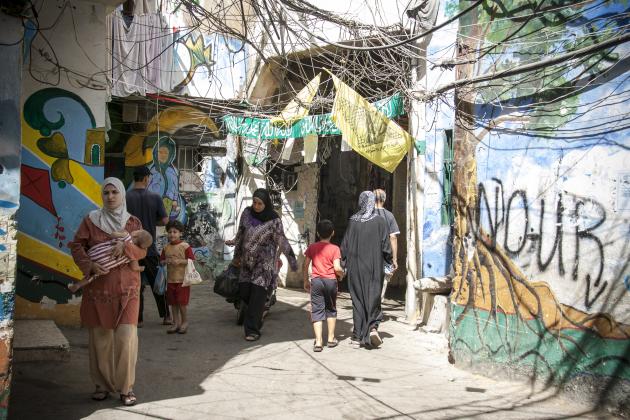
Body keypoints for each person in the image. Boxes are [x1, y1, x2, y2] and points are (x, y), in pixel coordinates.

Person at [70, 177, 146, 406]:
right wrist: (89, 265)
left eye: (115, 192)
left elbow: (143, 251)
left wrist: (128, 247)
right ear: (102, 196)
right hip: (99, 289)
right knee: (100, 339)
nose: (111, 197)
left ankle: (126, 388)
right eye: (107, 193)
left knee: (126, 338)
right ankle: (101, 385)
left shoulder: (133, 222)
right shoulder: (91, 221)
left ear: (122, 195)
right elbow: (76, 246)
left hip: (128, 289)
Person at [226, 188, 298, 341]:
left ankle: (252, 330)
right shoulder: (246, 213)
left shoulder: (274, 220)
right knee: (245, 292)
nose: (256, 206)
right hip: (246, 263)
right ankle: (255, 319)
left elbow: (282, 241)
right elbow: (240, 234)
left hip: (264, 265)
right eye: (255, 202)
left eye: (260, 203)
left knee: (257, 297)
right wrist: (236, 255)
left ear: (266, 203)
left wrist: (292, 261)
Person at [341, 191, 392, 349]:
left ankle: (357, 337)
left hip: (356, 268)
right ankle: (372, 328)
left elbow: (345, 245)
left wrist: (342, 264)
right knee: (373, 298)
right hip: (374, 268)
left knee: (357, 301)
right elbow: (386, 246)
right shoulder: (380, 221)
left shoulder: (353, 221)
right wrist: (390, 262)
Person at [126, 165, 171, 327]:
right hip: (149, 249)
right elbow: (165, 221)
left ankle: (137, 319)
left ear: (134, 178)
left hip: (130, 249)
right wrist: (152, 221)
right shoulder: (155, 197)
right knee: (157, 283)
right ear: (146, 178)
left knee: (135, 284)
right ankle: (166, 316)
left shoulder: (126, 197)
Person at [68, 229, 153, 293]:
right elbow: (134, 267)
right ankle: (78, 285)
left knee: (94, 248)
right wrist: (140, 268)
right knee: (93, 276)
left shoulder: (127, 236)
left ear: (136, 234)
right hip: (103, 266)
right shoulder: (132, 256)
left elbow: (112, 235)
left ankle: (75, 247)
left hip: (95, 253)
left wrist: (117, 233)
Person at [303, 219, 344, 352]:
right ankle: (331, 339)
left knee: (317, 310)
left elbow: (306, 264)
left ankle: (319, 342)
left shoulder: (312, 247)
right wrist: (342, 274)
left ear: (318, 233)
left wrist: (305, 280)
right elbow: (337, 268)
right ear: (332, 233)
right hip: (331, 281)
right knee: (331, 309)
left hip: (316, 281)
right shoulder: (335, 249)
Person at [160, 220, 195, 334]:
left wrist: (180, 261)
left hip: (183, 280)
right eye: (170, 232)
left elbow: (191, 261)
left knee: (181, 302)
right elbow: (161, 261)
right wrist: (165, 261)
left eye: (175, 232)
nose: (172, 234)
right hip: (170, 280)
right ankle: (176, 323)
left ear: (180, 233)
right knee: (173, 303)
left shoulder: (185, 246)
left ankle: (185, 322)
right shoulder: (166, 248)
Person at [373, 189, 400, 301]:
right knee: (382, 281)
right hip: (384, 255)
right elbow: (393, 237)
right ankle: (378, 302)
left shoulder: (365, 214)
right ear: (384, 200)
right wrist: (394, 259)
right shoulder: (389, 216)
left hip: (366, 253)